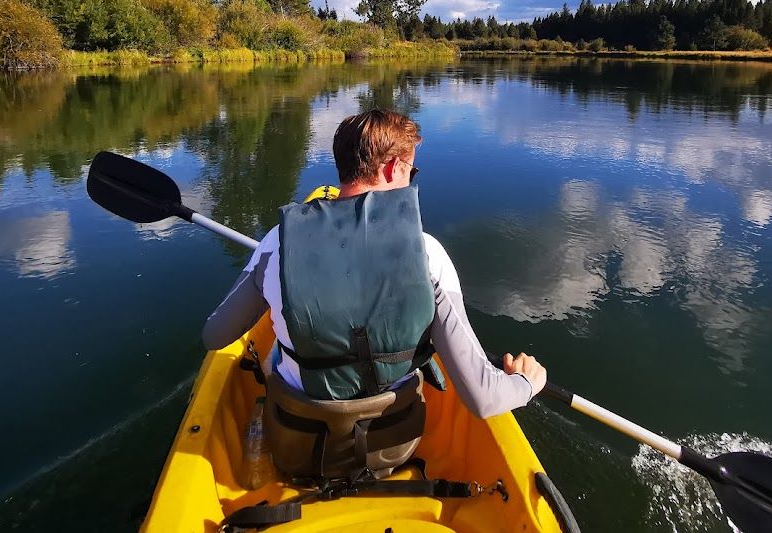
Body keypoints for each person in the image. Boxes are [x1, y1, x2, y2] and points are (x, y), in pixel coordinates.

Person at [202, 107, 547, 421]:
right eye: (410, 172)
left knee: (277, 351)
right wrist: (526, 382)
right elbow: (484, 398)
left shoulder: (277, 242)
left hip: (298, 435)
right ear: (392, 168)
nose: (410, 180)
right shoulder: (428, 254)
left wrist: (265, 279)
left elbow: (216, 335)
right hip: (393, 444)